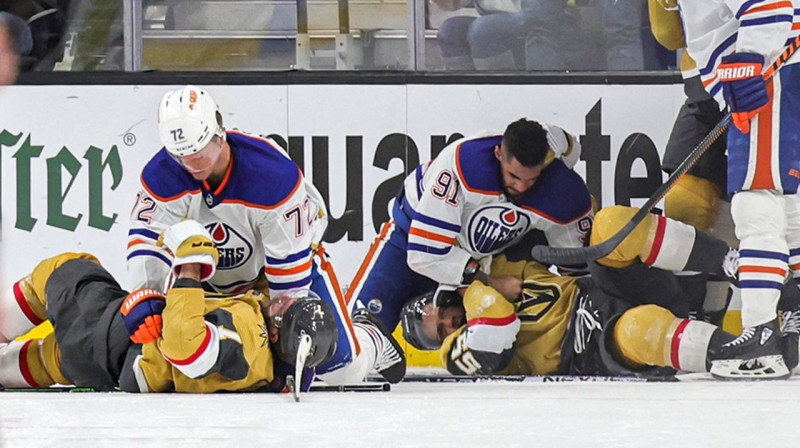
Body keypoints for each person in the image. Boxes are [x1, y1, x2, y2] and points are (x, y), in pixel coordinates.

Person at [126, 85, 405, 384]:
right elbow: (147, 237)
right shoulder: (162, 172)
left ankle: (369, 335)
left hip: (273, 271)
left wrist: (286, 319)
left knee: (340, 368)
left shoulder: (272, 175)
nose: (191, 164)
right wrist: (147, 294)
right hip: (207, 279)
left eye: (198, 152)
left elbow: (289, 261)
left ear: (219, 134)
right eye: (182, 156)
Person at [401, 206, 800, 378]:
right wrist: (476, 284)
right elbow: (495, 328)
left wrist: (483, 277)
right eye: (442, 329)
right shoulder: (457, 355)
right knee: (639, 329)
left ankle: (736, 265)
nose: (450, 322)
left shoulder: (500, 266)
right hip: (593, 347)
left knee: (609, 227)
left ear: (444, 295)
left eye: (443, 310)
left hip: (604, 289)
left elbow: (575, 214)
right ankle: (752, 352)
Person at [0, 221, 338, 393]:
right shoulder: (267, 360)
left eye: (288, 308)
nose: (285, 298)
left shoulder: (251, 339)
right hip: (117, 362)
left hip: (122, 343)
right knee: (55, 358)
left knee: (66, 270)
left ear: (278, 334)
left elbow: (186, 348)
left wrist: (190, 267)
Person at [346, 118, 592, 333]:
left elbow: (578, 274)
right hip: (412, 239)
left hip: (481, 256)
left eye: (532, 179)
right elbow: (423, 257)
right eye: (514, 176)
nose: (521, 187)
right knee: (360, 329)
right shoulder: (462, 167)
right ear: (498, 154)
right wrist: (492, 283)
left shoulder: (561, 187)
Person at [676, 0, 800, 380]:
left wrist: (749, 57)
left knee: (756, 197)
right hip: (777, 66)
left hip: (769, 72)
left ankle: (761, 335)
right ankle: (790, 307)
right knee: (785, 200)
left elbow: (770, 4)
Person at [648, 0, 738, 331]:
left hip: (765, 81)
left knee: (765, 206)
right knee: (688, 204)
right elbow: (669, 35)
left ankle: (787, 317)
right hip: (705, 92)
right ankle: (694, 318)